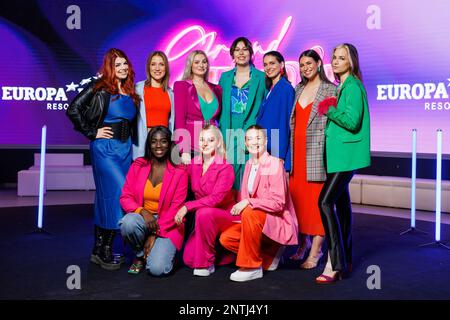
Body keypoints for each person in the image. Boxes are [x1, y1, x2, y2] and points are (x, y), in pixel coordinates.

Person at [66, 48, 140, 270]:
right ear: (110, 67)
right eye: (118, 65)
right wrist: (92, 132)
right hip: (104, 149)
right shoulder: (98, 87)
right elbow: (73, 109)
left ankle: (98, 250)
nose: (123, 68)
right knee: (117, 195)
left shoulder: (130, 91)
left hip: (125, 149)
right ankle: (107, 249)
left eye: (125, 64)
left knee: (106, 197)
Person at [315, 43, 371, 283]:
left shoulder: (353, 87)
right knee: (342, 207)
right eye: (334, 57)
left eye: (341, 58)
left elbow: (352, 121)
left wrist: (330, 110)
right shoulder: (343, 86)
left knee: (324, 202)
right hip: (338, 156)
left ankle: (334, 262)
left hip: (347, 157)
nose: (336, 61)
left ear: (351, 62)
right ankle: (345, 260)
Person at [219, 125, 298, 282]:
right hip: (255, 221)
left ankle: (252, 267)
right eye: (250, 139)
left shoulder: (274, 164)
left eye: (258, 138)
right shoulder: (249, 165)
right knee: (226, 238)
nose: (254, 142)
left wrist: (248, 202)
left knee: (249, 212)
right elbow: (244, 196)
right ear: (246, 144)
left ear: (266, 140)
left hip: (275, 219)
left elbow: (278, 203)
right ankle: (270, 254)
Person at [288, 49, 336, 269]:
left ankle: (316, 252)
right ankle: (303, 243)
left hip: (317, 155)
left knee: (316, 206)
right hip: (296, 155)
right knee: (297, 203)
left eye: (309, 63)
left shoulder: (330, 89)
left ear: (318, 63)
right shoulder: (298, 88)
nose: (305, 68)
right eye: (302, 65)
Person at [119, 126, 188, 276]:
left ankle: (165, 255)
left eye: (163, 141)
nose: (158, 146)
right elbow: (125, 197)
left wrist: (154, 235)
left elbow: (176, 208)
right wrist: (142, 211)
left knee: (157, 269)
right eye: (154, 141)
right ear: (148, 145)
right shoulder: (138, 165)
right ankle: (139, 256)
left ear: (170, 144)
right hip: (144, 218)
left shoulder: (180, 171)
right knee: (128, 223)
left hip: (169, 223)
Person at [174, 125, 237, 276]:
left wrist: (187, 207)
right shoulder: (194, 164)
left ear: (218, 143)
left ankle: (207, 264)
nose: (205, 143)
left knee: (204, 213)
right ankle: (218, 250)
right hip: (204, 219)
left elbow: (216, 199)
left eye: (211, 140)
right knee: (188, 259)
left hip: (225, 215)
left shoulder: (226, 168)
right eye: (202, 139)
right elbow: (177, 176)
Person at [219, 37, 267, 190]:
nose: (241, 53)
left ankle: (245, 210)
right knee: (229, 176)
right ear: (232, 54)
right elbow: (219, 106)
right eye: (237, 50)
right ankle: (229, 212)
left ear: (250, 53)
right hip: (229, 130)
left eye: (245, 49)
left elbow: (266, 104)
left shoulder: (261, 77)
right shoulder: (225, 77)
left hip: (251, 131)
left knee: (248, 176)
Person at [174, 50, 222, 164]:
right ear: (190, 65)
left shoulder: (217, 89)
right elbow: (180, 119)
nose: (201, 65)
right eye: (197, 62)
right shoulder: (181, 86)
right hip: (191, 144)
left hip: (212, 143)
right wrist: (183, 149)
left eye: (204, 62)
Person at [256, 51, 295, 171]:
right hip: (265, 149)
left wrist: (279, 155)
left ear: (282, 64)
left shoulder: (286, 89)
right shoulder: (271, 88)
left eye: (272, 63)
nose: (268, 67)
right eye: (265, 64)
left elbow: (284, 124)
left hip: (275, 151)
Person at [134, 51, 175, 159]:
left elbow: (172, 123)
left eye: (161, 64)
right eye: (153, 64)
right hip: (144, 143)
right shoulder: (138, 89)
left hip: (164, 146)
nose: (157, 68)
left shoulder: (171, 93)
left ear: (166, 68)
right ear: (148, 67)